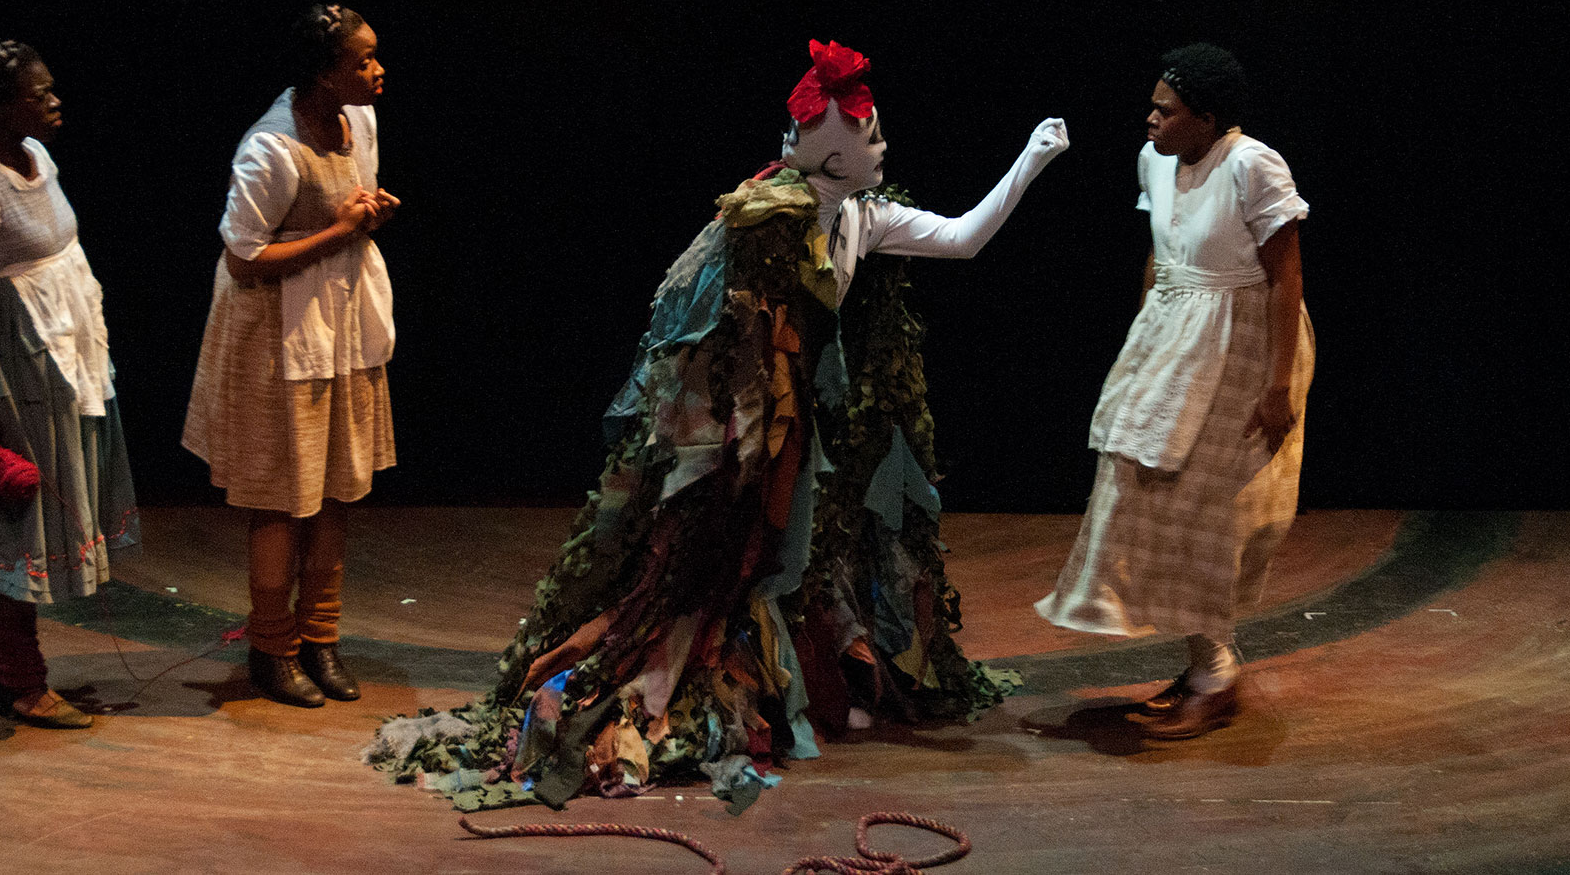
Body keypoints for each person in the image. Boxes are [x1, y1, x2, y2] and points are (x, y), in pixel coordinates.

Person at [365, 40, 1067, 811]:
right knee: (725, 558)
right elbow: (697, 335)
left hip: (803, 423)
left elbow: (962, 238)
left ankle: (784, 686)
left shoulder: (864, 218)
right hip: (746, 427)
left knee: (796, 554)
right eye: (870, 138)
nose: (884, 146)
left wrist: (1031, 161)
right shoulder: (763, 221)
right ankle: (694, 689)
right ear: (831, 162)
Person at [1036, 43, 1314, 739]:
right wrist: (1144, 345)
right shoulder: (1152, 161)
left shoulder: (1252, 163)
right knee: (1142, 487)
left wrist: (1278, 384)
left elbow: (1286, 277)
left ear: (1207, 118)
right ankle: (1205, 663)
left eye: (1167, 107)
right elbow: (1160, 257)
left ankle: (1215, 675)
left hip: (1244, 341)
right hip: (1173, 333)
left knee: (1209, 507)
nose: (1151, 116)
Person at [0, 39, 141, 729]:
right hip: (13, 371)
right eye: (38, 93)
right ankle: (23, 680)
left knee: (20, 511)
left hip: (63, 359)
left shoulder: (37, 159)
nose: (53, 100)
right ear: (0, 105)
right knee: (23, 519)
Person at [183, 4, 399, 708]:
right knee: (281, 497)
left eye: (375, 56)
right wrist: (338, 232)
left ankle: (320, 635)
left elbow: (344, 210)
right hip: (275, 334)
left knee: (336, 487)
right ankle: (272, 647)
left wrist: (364, 216)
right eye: (361, 59)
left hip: (337, 328)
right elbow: (244, 258)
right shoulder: (271, 150)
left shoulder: (358, 121)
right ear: (321, 71)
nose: (377, 69)